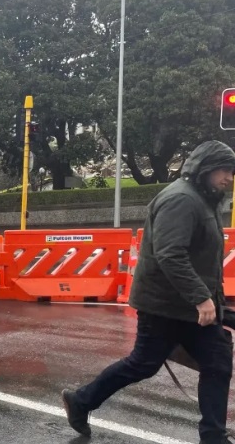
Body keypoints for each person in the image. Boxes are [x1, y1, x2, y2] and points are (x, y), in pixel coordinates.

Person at [61, 140, 235, 444]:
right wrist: (200, 297)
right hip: (163, 305)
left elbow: (202, 259)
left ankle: (213, 437)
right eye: (225, 170)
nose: (229, 178)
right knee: (143, 364)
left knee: (217, 362)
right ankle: (80, 401)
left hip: (187, 306)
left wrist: (216, 305)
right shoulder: (181, 200)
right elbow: (171, 255)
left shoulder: (203, 199)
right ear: (206, 168)